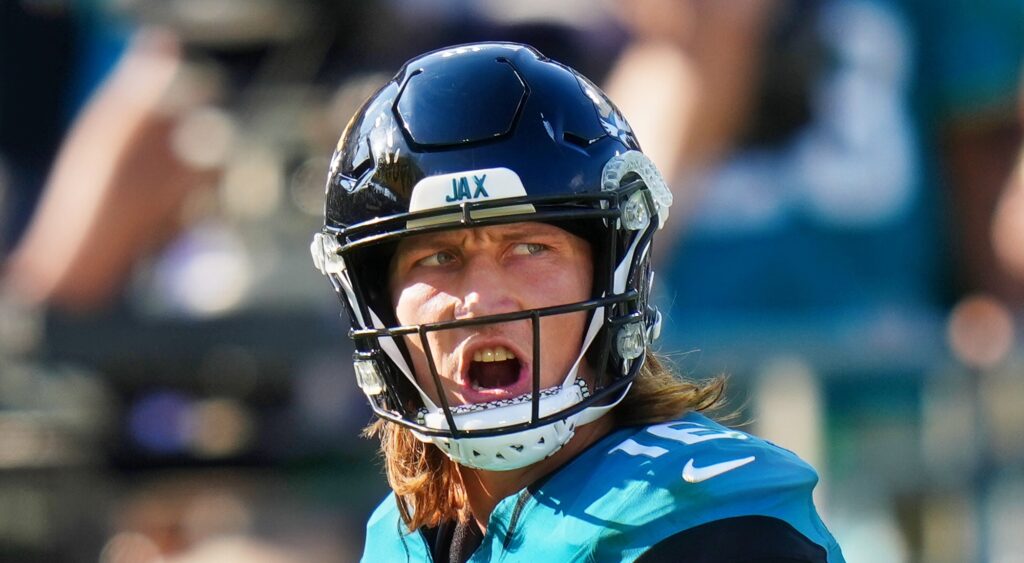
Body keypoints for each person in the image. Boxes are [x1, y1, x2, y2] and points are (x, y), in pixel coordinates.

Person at [310, 42, 845, 562]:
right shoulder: (402, 530)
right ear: (378, 300)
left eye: (528, 247)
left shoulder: (708, 519)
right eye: (438, 257)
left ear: (606, 274)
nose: (482, 299)